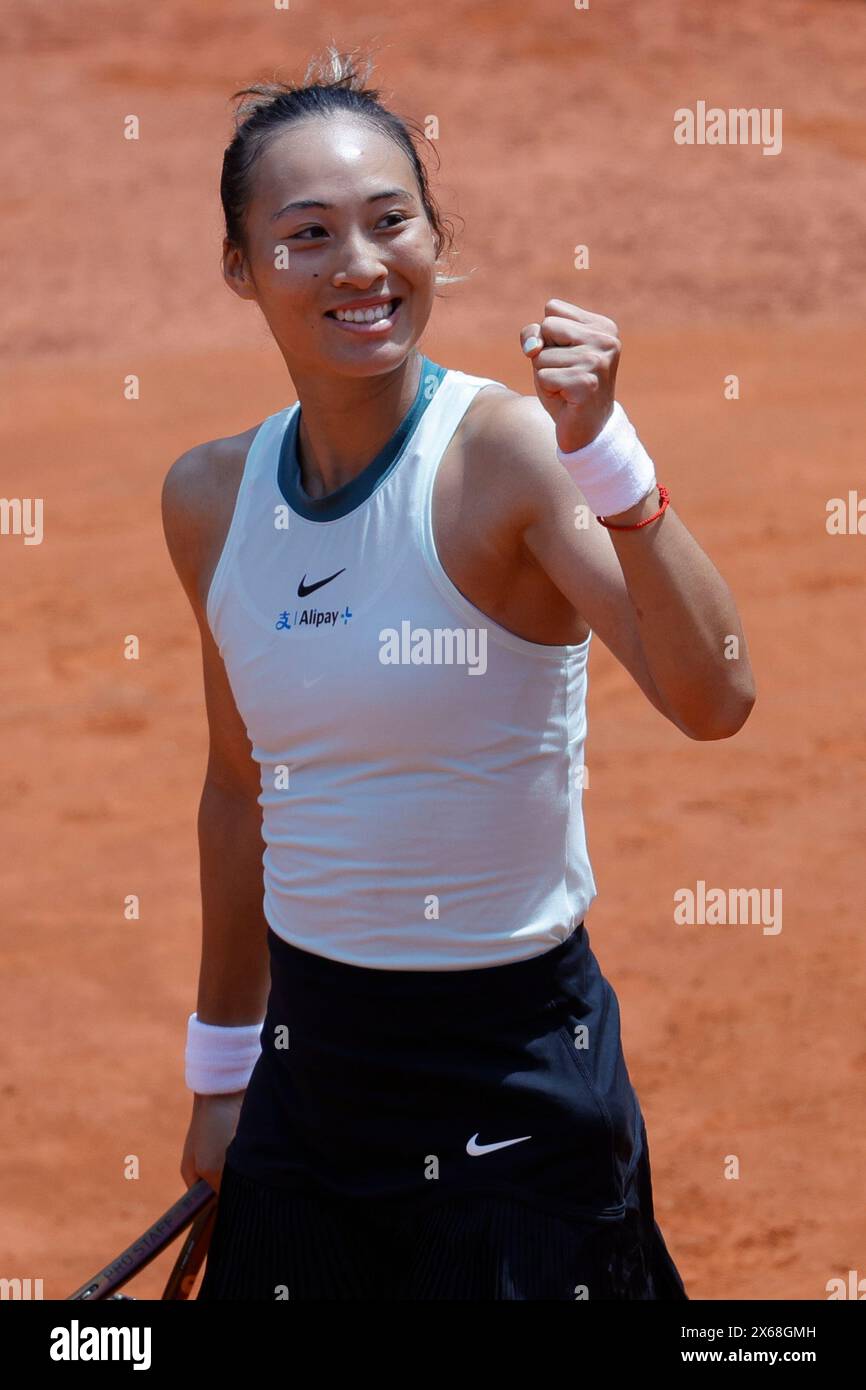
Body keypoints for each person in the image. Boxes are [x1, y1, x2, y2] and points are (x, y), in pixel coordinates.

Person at [161, 45, 755, 1301]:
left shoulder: (508, 457)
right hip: (306, 1075)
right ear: (240, 267)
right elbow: (237, 791)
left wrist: (611, 461)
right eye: (306, 234)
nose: (360, 265)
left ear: (437, 237)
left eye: (391, 221)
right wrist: (221, 1077)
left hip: (513, 1077)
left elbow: (715, 700)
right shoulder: (209, 498)